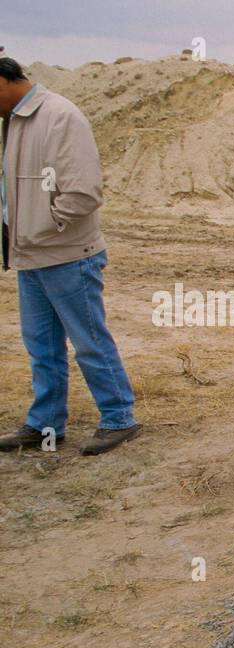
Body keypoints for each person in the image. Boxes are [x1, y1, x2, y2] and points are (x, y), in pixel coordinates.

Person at [0, 56, 141, 455]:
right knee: (41, 347)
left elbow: (83, 193)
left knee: (89, 342)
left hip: (67, 256)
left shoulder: (60, 116)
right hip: (30, 256)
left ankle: (119, 420)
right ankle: (45, 425)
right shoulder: (12, 120)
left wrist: (39, 227)